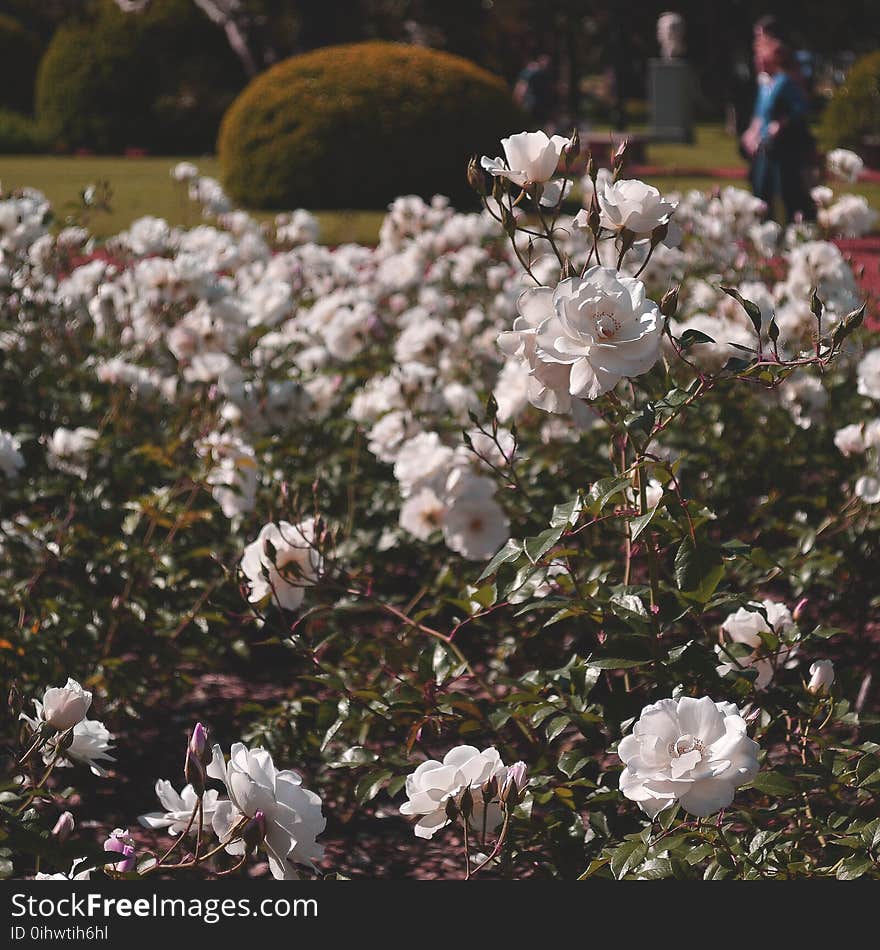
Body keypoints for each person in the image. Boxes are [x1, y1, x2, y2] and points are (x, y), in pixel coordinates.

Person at [740, 18, 817, 223]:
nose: (758, 61)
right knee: (760, 189)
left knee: (788, 191)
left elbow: (800, 108)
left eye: (761, 56)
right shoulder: (766, 84)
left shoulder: (784, 82)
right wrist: (751, 134)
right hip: (764, 147)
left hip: (782, 149)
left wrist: (780, 124)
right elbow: (759, 114)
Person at [513, 54, 556, 130]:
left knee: (539, 125)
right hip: (530, 102)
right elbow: (522, 85)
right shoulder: (531, 71)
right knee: (528, 124)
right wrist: (518, 98)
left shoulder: (545, 73)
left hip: (540, 104)